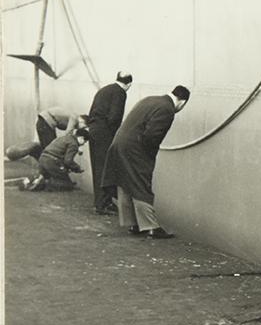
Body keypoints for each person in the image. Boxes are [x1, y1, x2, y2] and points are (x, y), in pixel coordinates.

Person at [101, 85, 190, 239]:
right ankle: (151, 227)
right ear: (182, 103)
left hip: (119, 144)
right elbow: (152, 136)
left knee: (125, 184)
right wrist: (148, 157)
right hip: (135, 148)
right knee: (141, 183)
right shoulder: (167, 109)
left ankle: (133, 224)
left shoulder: (150, 99)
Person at [87, 71, 133, 215]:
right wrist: (116, 136)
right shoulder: (120, 93)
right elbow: (114, 117)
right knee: (106, 168)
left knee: (98, 166)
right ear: (129, 84)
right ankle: (103, 205)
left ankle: (101, 202)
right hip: (105, 133)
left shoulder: (104, 90)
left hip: (94, 130)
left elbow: (92, 111)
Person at [25, 124, 91, 191]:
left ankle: (34, 181)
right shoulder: (74, 144)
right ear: (81, 138)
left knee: (50, 175)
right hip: (51, 161)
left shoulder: (66, 137)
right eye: (85, 141)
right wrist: (77, 168)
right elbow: (68, 161)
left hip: (43, 158)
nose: (84, 143)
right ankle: (44, 185)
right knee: (67, 185)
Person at [5, 106, 82, 161]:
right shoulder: (75, 117)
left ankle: (32, 152)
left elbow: (71, 134)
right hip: (46, 123)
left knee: (48, 152)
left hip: (44, 122)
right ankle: (31, 151)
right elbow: (68, 135)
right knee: (52, 153)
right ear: (83, 121)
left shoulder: (73, 119)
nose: (81, 128)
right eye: (84, 126)